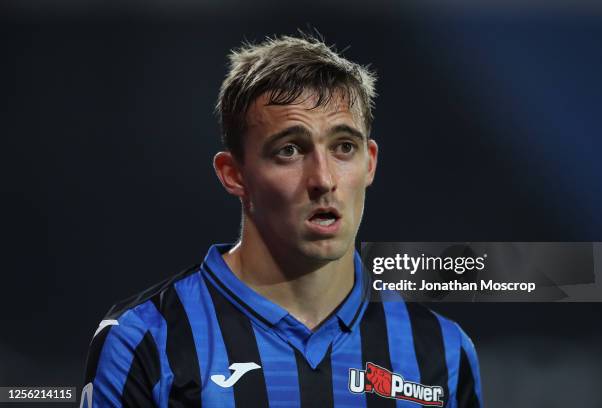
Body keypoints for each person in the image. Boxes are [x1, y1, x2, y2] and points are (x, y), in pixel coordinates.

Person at [81, 34, 483, 408]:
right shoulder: (145, 338)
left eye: (344, 147)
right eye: (290, 150)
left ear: (370, 163)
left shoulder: (442, 350)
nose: (323, 180)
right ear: (233, 174)